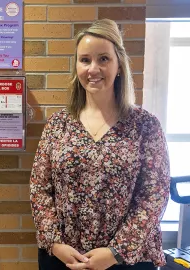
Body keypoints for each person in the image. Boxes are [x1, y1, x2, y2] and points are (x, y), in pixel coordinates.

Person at [30, 19, 171, 270]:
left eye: (103, 59)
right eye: (85, 60)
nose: (93, 68)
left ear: (119, 65)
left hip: (127, 260)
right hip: (64, 258)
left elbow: (154, 195)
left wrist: (115, 252)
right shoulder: (58, 125)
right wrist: (55, 244)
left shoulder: (145, 126)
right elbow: (40, 189)